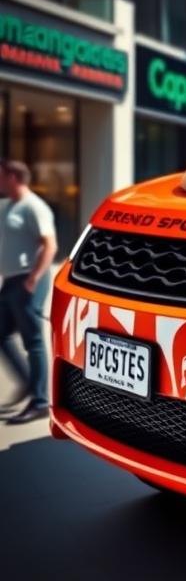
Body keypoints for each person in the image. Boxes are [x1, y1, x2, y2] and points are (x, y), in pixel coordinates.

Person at [0, 159, 57, 424]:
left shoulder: (34, 207)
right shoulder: (6, 206)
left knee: (32, 341)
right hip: (11, 281)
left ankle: (40, 401)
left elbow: (50, 245)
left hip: (28, 280)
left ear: (13, 177)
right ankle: (27, 381)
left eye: (1, 177)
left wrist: (33, 279)